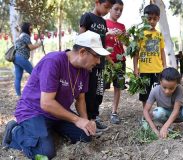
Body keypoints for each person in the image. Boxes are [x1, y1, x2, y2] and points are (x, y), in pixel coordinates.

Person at [1, 31, 111, 159]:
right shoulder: (53, 61)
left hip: (58, 113)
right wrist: (77, 120)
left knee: (85, 136)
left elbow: (80, 100)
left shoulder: (85, 70)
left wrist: (85, 121)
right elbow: (46, 103)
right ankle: (15, 131)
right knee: (45, 153)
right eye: (97, 56)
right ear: (82, 52)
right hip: (34, 111)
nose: (98, 61)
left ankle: (45, 132)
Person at [79, 0, 116, 134]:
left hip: (100, 63)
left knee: (99, 92)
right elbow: (80, 39)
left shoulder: (103, 22)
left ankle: (94, 118)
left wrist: (109, 60)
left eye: (109, 8)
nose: (107, 11)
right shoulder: (87, 17)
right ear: (97, 2)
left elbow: (103, 44)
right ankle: (87, 119)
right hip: (88, 63)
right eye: (106, 7)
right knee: (88, 92)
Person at [143, 67, 183, 140]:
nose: (167, 91)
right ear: (160, 82)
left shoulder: (179, 89)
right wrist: (154, 129)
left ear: (177, 84)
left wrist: (164, 127)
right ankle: (167, 128)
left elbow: (176, 110)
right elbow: (145, 110)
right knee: (157, 112)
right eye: (164, 87)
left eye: (171, 88)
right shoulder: (155, 91)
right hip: (165, 115)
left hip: (179, 113)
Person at [133, 4, 166, 108]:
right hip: (144, 70)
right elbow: (136, 53)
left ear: (158, 19)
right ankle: (145, 114)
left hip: (157, 70)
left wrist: (164, 66)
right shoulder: (140, 34)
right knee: (145, 94)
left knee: (159, 93)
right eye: (149, 18)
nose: (152, 21)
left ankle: (159, 114)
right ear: (144, 18)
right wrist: (135, 68)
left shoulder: (159, 35)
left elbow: (162, 51)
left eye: (154, 19)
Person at [105, 0, 126, 124]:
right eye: (116, 9)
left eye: (121, 10)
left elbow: (126, 44)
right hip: (107, 60)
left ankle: (114, 112)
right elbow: (98, 38)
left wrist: (125, 37)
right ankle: (95, 112)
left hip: (120, 60)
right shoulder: (104, 22)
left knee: (118, 87)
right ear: (110, 8)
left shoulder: (122, 26)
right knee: (102, 87)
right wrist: (109, 32)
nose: (118, 12)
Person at [13, 22, 42, 96]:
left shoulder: (21, 35)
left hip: (16, 58)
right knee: (35, 73)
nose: (31, 29)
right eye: (30, 28)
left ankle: (19, 96)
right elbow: (31, 47)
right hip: (21, 58)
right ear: (27, 28)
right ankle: (39, 91)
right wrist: (39, 44)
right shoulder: (25, 35)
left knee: (18, 77)